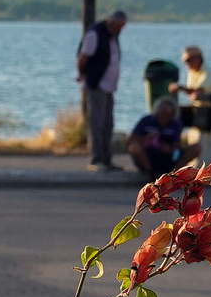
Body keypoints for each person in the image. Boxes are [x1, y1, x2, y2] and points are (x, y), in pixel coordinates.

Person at [76, 10, 128, 170]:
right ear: (112, 23)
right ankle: (96, 159)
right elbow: (83, 57)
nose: (120, 30)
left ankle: (106, 159)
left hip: (109, 87)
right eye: (119, 26)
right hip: (97, 84)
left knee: (108, 124)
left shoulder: (112, 36)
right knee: (97, 122)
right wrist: (82, 75)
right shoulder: (95, 34)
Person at [127, 98, 200, 180]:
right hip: (148, 155)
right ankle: (152, 172)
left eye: (169, 115)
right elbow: (130, 140)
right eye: (163, 114)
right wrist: (146, 138)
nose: (165, 117)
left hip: (168, 156)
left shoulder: (176, 124)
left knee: (196, 148)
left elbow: (177, 145)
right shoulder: (146, 121)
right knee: (133, 147)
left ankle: (174, 173)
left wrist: (170, 148)